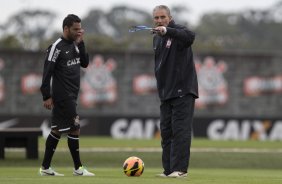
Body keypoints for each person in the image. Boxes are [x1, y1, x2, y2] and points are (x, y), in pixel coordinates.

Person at [39, 14, 94, 176]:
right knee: (75, 128)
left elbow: (85, 63)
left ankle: (45, 168)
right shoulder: (56, 47)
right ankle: (78, 168)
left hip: (72, 94)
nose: (79, 32)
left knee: (56, 130)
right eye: (76, 30)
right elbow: (46, 72)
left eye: (80, 29)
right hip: (63, 95)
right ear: (66, 29)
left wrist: (81, 42)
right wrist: (46, 95)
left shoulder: (75, 44)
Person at [152, 5, 198, 178]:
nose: (159, 20)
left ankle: (180, 170)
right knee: (166, 132)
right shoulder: (156, 39)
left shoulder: (177, 31)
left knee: (180, 131)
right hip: (166, 93)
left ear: (169, 17)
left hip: (183, 90)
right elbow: (160, 67)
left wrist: (168, 30)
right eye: (156, 18)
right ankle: (169, 170)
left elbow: (190, 36)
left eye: (162, 17)